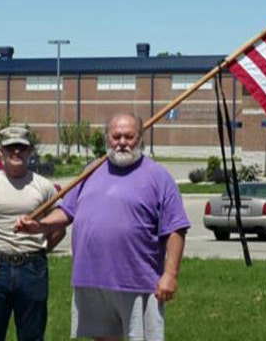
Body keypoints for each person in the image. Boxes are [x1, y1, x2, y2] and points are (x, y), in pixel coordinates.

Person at [15, 112, 191, 340]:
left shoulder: (158, 177)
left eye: (129, 136)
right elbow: (67, 211)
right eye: (116, 136)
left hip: (137, 281)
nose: (122, 143)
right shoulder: (91, 171)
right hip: (92, 278)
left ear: (140, 139)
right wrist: (39, 226)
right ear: (107, 138)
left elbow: (176, 228)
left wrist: (170, 275)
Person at [0, 125, 65, 341]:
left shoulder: (44, 188)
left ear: (29, 152)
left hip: (33, 270)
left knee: (32, 336)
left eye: (21, 148)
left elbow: (59, 228)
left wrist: (40, 250)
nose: (16, 152)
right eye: (10, 148)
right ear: (1, 153)